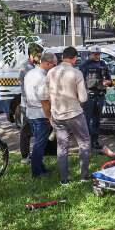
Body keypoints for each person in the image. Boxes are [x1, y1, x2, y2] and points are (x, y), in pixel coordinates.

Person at [41, 46, 91, 185]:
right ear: (74, 58)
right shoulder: (76, 73)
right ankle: (84, 176)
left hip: (58, 115)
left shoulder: (50, 72)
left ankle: (64, 179)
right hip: (75, 114)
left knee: (62, 147)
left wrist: (49, 116)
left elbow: (44, 97)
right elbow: (83, 98)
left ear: (63, 57)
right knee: (84, 143)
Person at [23, 52, 57, 178]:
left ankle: (40, 168)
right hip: (40, 115)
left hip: (31, 113)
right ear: (47, 63)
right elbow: (44, 101)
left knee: (39, 143)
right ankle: (37, 172)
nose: (54, 67)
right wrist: (50, 118)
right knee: (39, 145)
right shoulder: (42, 78)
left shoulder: (30, 73)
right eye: (54, 65)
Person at [79, 46, 112, 150]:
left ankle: (95, 141)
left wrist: (109, 82)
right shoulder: (84, 65)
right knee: (87, 121)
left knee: (97, 120)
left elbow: (109, 80)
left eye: (99, 54)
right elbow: (80, 82)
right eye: (95, 54)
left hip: (100, 95)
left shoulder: (103, 64)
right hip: (89, 96)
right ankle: (86, 143)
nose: (97, 56)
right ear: (90, 54)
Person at [19, 44, 43, 164]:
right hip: (28, 104)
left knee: (29, 130)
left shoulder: (32, 65)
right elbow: (25, 89)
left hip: (31, 104)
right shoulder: (27, 68)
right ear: (31, 55)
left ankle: (29, 155)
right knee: (26, 131)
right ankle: (25, 156)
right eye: (38, 56)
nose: (40, 58)